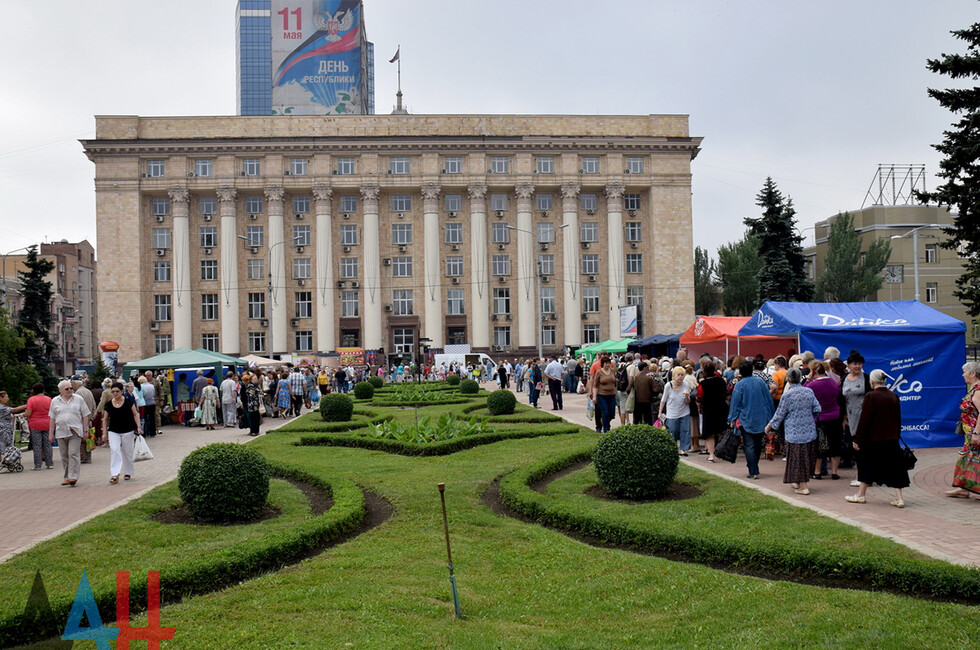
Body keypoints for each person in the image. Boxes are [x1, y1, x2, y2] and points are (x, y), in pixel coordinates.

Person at [845, 369, 909, 508]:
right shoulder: (893, 396)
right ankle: (899, 498)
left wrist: (857, 439)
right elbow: (898, 419)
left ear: (872, 381)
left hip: (873, 439)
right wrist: (896, 435)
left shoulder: (871, 396)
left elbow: (865, 419)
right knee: (895, 468)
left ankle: (861, 495)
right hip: (891, 438)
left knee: (866, 466)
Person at [765, 367, 820, 495]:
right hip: (809, 431)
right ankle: (798, 481)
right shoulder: (808, 391)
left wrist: (769, 426)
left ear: (788, 380)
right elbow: (817, 408)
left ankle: (803, 485)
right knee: (806, 457)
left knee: (796, 458)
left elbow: (780, 414)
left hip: (793, 432)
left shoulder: (787, 395)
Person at [729, 361, 775, 478]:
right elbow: (768, 400)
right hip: (761, 418)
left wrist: (732, 418)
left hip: (746, 418)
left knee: (749, 445)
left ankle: (753, 470)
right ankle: (754, 467)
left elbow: (735, 403)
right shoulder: (761, 382)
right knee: (758, 444)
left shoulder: (739, 385)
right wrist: (772, 417)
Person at [48, 380, 91, 487]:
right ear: (60, 390)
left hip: (75, 431)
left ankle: (73, 476)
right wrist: (51, 433)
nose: (70, 390)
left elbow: (85, 415)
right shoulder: (55, 401)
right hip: (61, 431)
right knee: (64, 455)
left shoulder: (78, 399)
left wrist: (85, 430)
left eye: (71, 388)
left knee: (73, 453)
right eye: (67, 389)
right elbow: (52, 418)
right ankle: (67, 477)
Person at [805, 360, 843, 481]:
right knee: (836, 444)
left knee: (820, 446)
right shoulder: (833, 382)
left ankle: (817, 472)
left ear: (813, 371)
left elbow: (804, 393)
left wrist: (807, 380)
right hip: (835, 416)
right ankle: (835, 472)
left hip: (820, 418)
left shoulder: (812, 386)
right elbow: (838, 395)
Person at [947, 361, 980, 499]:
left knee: (975, 459)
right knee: (965, 458)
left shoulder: (978, 390)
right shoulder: (973, 388)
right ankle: (963, 487)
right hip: (969, 433)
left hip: (975, 432)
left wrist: (977, 433)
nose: (963, 374)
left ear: (973, 373)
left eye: (965, 371)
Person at [841, 350, 871, 485]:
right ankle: (862, 475)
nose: (857, 366)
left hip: (865, 418)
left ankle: (864, 477)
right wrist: (844, 418)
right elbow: (842, 400)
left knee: (864, 448)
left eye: (859, 363)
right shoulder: (844, 379)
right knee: (855, 447)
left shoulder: (867, 378)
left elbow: (872, 397)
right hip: (851, 419)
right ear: (849, 365)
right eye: (854, 364)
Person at [101, 381, 141, 484]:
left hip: (128, 430)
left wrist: (138, 427)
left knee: (128, 451)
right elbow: (105, 419)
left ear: (122, 391)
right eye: (113, 391)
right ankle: (115, 474)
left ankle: (128, 472)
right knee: (115, 450)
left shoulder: (128, 401)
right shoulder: (109, 404)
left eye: (117, 391)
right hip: (114, 431)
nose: (115, 393)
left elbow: (135, 414)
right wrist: (104, 433)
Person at [697, 361, 729, 463]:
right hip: (721, 407)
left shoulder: (703, 384)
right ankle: (720, 451)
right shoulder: (721, 381)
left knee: (709, 433)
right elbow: (726, 392)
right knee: (720, 430)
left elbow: (699, 397)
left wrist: (699, 407)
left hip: (709, 409)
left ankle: (711, 454)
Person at [659, 366, 691, 454]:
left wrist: (687, 397)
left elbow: (688, 402)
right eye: (678, 375)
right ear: (674, 376)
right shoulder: (668, 386)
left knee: (685, 430)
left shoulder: (686, 385)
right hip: (671, 413)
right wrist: (660, 412)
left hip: (684, 411)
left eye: (682, 375)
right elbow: (663, 400)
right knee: (672, 430)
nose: (680, 377)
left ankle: (683, 449)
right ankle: (672, 448)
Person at [24, 383, 53, 470]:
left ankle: (38, 465)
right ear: (43, 390)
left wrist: (22, 415)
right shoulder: (49, 399)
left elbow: (28, 413)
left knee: (37, 445)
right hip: (47, 423)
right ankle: (49, 463)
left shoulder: (31, 400)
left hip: (35, 424)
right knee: (47, 444)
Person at [0, 390, 28, 455]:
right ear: (1, 398)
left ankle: (4, 462)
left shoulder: (4, 406)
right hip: (4, 431)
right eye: (6, 397)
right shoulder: (1, 407)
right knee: (5, 448)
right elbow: (15, 409)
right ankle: (5, 462)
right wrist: (28, 405)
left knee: (4, 448)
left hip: (7, 430)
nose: (8, 398)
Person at [141, 373, 157, 438]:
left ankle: (145, 432)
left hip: (144, 403)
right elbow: (153, 394)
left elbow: (142, 395)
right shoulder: (152, 386)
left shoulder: (141, 387)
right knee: (152, 418)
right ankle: (153, 432)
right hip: (152, 403)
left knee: (144, 418)